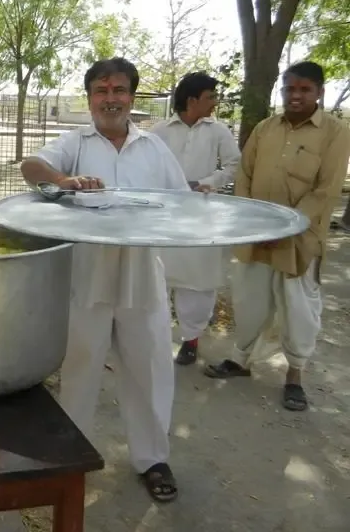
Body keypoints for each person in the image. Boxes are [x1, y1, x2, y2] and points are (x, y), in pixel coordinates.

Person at [20, 57, 190, 502]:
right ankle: (69, 459)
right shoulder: (75, 142)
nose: (109, 99)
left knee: (149, 366)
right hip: (86, 273)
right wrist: (65, 180)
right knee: (79, 366)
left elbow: (183, 206)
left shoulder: (154, 148)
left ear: (132, 97)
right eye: (100, 90)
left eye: (118, 90)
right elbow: (30, 167)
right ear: (90, 97)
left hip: (141, 274)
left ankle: (152, 459)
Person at [205, 61, 350, 412]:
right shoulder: (265, 129)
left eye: (304, 90)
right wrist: (254, 224)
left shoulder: (335, 132)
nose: (296, 96)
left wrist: (284, 228)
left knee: (299, 309)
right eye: (290, 89)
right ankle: (241, 361)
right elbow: (245, 178)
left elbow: (326, 190)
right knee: (250, 300)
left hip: (300, 240)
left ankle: (294, 375)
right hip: (256, 234)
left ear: (319, 93)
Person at [151, 72, 241, 365]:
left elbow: (233, 164)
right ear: (192, 100)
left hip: (201, 215)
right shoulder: (160, 131)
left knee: (198, 281)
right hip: (164, 215)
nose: (215, 102)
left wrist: (206, 182)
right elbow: (145, 164)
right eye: (210, 97)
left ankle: (191, 341)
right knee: (155, 277)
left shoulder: (218, 130)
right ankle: (155, 339)